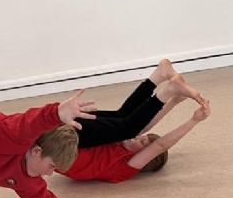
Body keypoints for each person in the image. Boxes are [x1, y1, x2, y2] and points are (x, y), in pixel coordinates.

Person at [57, 61, 211, 183]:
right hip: (69, 135)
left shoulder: (123, 168)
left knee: (128, 126)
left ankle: (166, 85)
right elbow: (144, 126)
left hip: (64, 143)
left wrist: (194, 120)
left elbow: (160, 146)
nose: (137, 137)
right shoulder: (121, 144)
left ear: (143, 156)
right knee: (127, 122)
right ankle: (160, 76)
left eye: (142, 142)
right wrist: (173, 102)